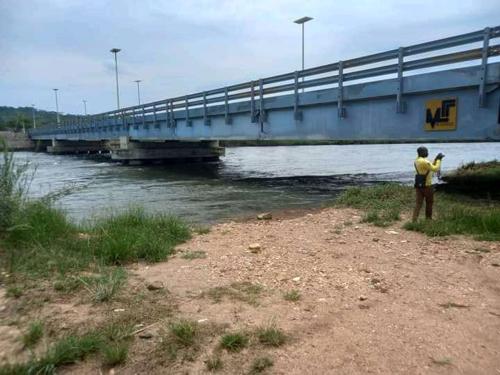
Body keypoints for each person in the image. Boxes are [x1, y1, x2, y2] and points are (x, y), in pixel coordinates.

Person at [412, 146, 444, 221]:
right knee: (429, 202)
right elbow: (435, 169)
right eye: (426, 151)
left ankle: (414, 219)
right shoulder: (425, 161)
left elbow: (429, 168)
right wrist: (439, 160)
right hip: (427, 186)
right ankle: (428, 219)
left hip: (419, 185)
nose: (427, 153)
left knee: (418, 203)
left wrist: (435, 160)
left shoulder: (417, 160)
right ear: (422, 152)